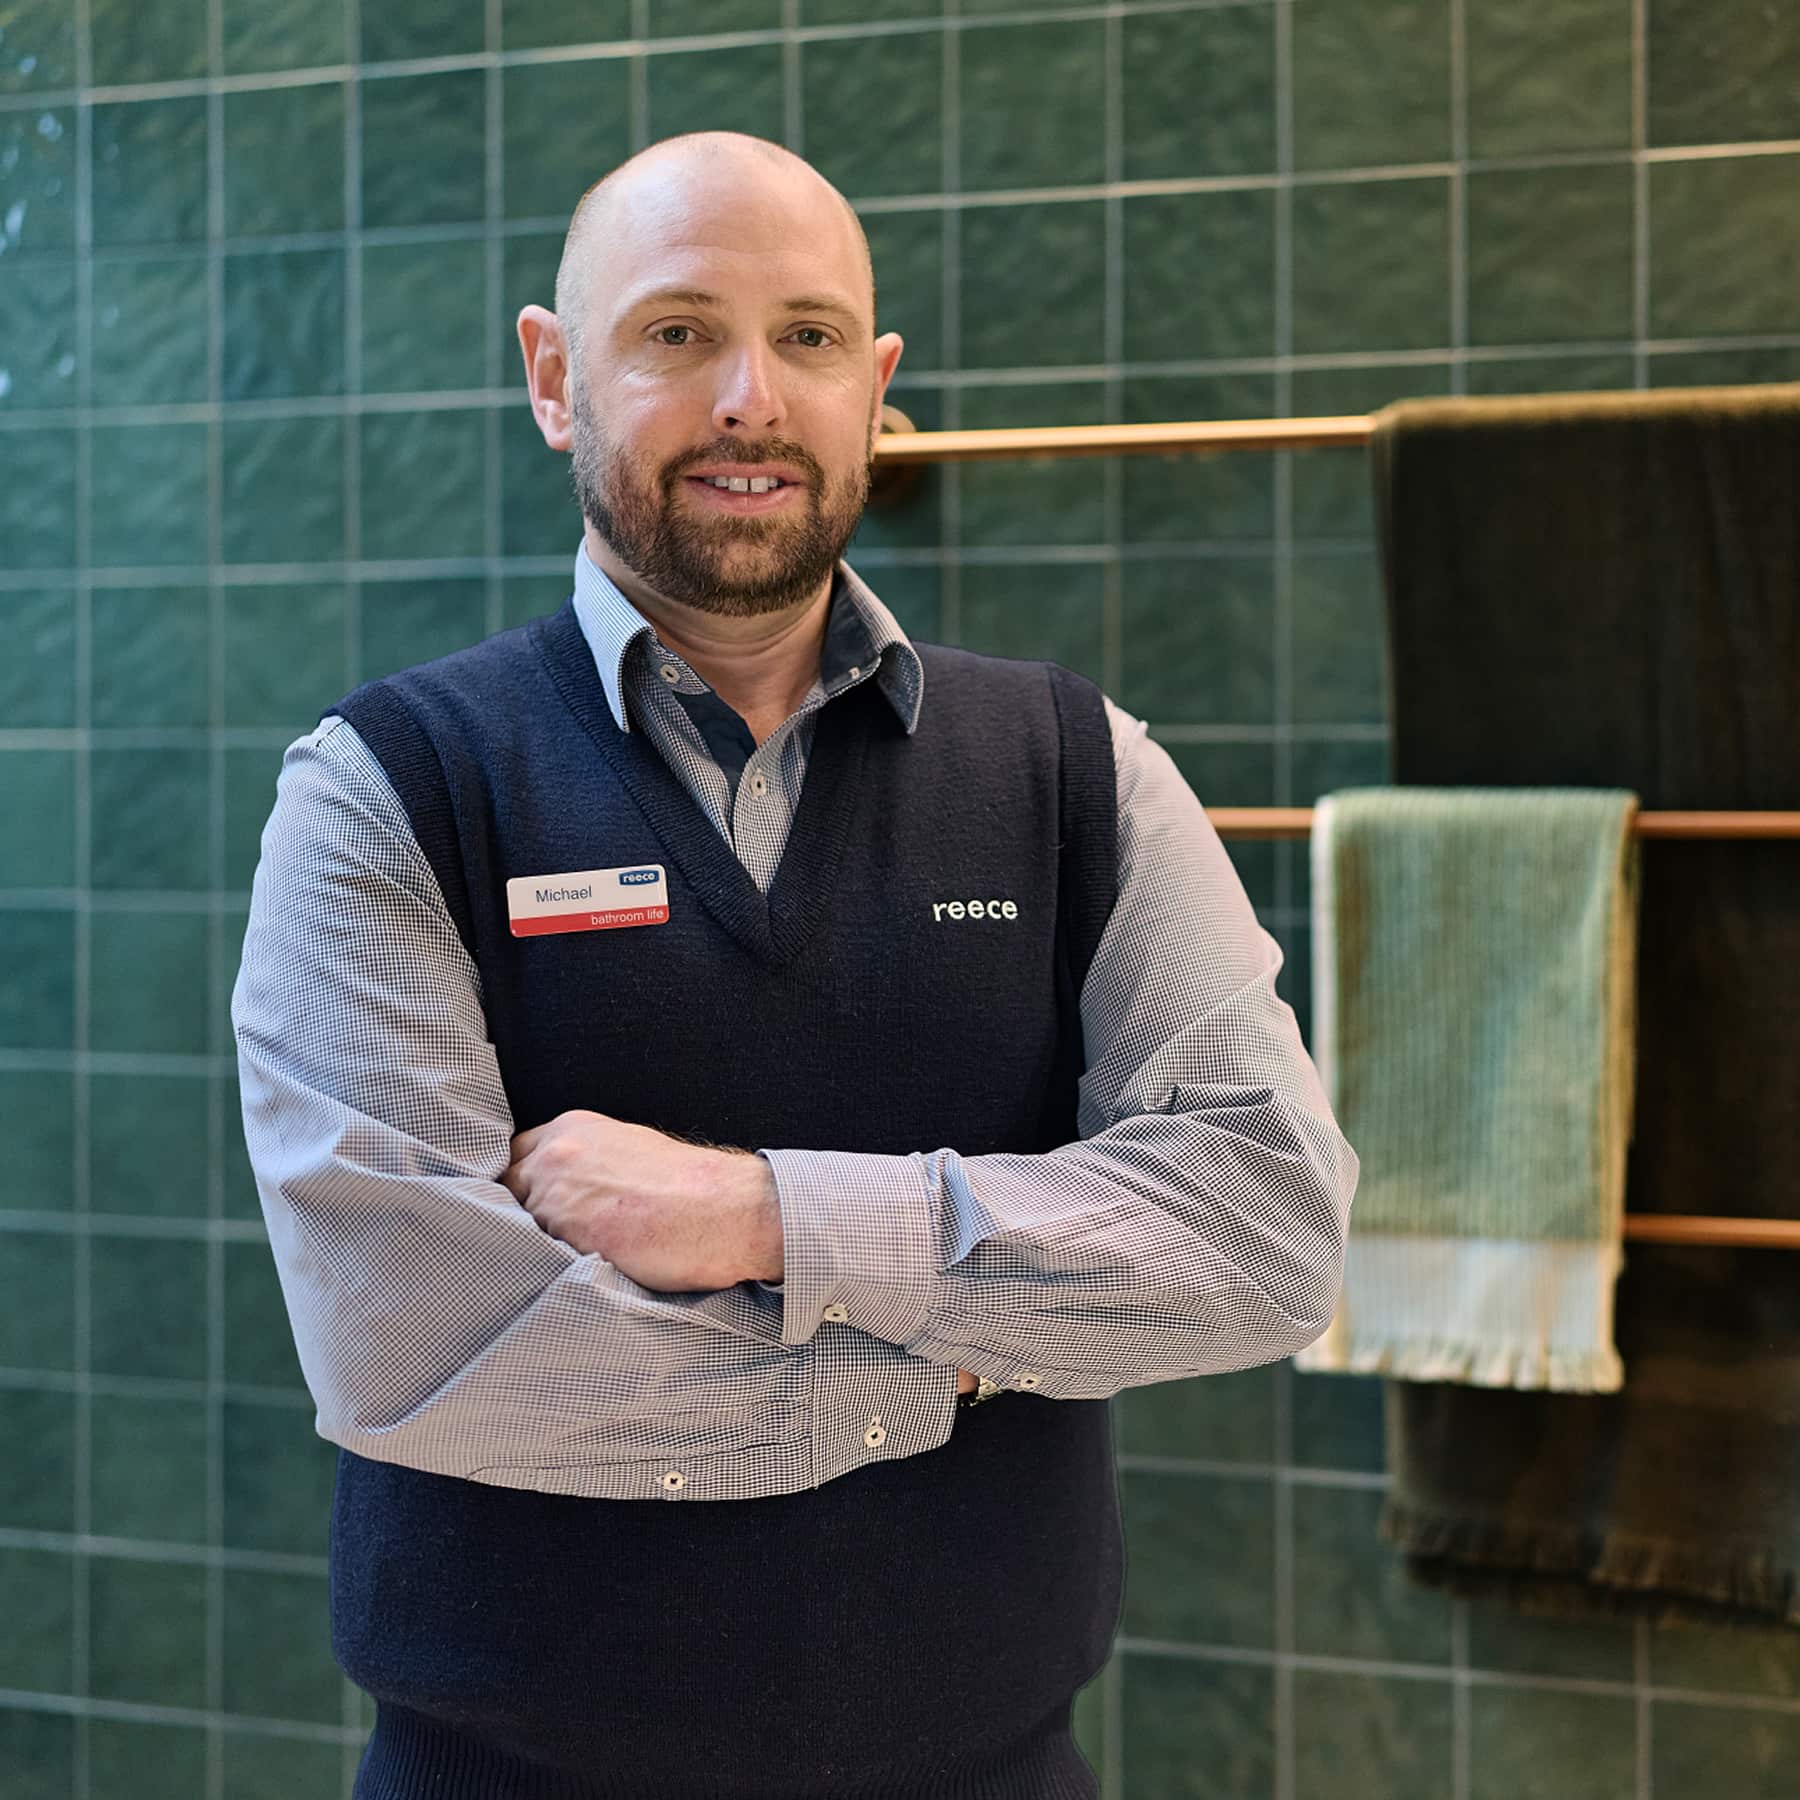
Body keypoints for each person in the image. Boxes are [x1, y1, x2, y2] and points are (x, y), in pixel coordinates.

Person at [230, 129, 1358, 1800]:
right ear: (556, 377)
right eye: (677, 333)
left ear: (876, 386)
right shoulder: (391, 790)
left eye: (811, 338)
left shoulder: (1075, 771)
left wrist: (770, 1220)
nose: (751, 398)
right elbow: (431, 1355)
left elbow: (1268, 1228)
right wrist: (962, 1352)